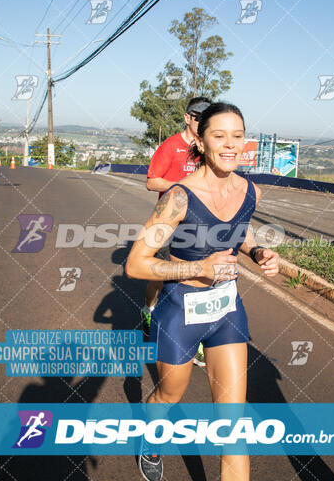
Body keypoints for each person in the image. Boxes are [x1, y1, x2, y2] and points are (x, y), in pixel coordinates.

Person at [126, 102, 280, 481]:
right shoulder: (179, 197)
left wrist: (258, 251)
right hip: (180, 312)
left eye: (238, 136)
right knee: (168, 396)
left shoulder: (251, 191)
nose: (231, 145)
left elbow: (238, 231)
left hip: (227, 312)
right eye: (219, 135)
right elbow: (135, 264)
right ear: (201, 141)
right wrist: (199, 268)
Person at [142, 96, 212, 366]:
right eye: (197, 117)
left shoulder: (208, 148)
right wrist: (183, 186)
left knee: (196, 280)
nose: (200, 122)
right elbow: (151, 182)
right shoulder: (171, 146)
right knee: (162, 277)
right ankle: (149, 309)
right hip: (169, 221)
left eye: (205, 118)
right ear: (187, 117)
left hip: (200, 224)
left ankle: (193, 340)